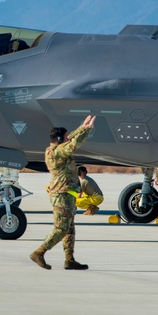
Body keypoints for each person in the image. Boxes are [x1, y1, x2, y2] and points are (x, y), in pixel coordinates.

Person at [30, 114, 97, 270]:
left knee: (69, 228)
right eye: (65, 136)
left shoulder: (55, 149)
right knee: (61, 228)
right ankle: (39, 252)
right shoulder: (58, 152)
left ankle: (69, 260)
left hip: (67, 193)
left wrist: (82, 128)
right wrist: (87, 131)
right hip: (61, 194)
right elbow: (72, 145)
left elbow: (69, 140)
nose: (67, 138)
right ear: (60, 139)